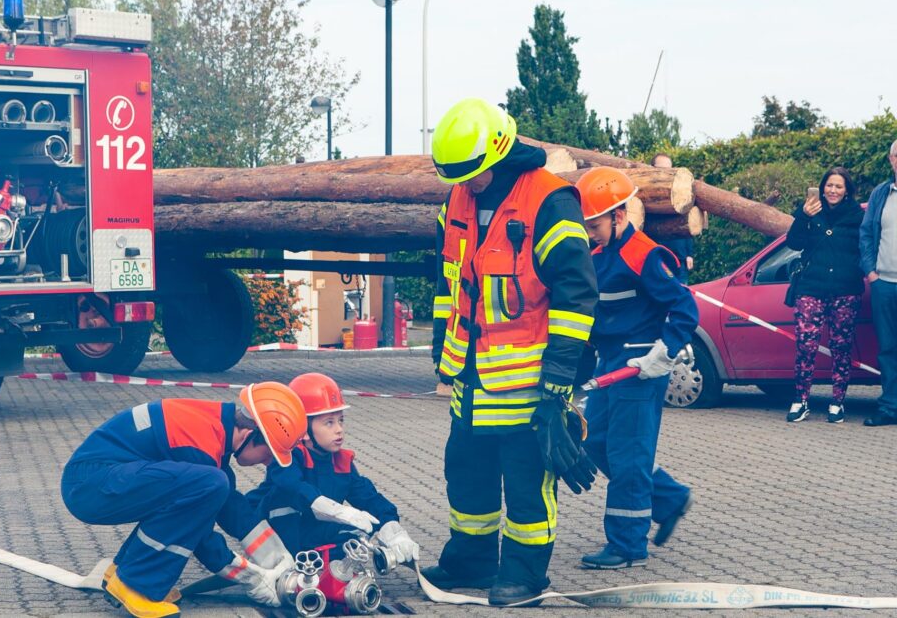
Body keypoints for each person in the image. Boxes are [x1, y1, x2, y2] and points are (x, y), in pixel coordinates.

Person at [423, 98, 599, 606]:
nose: (468, 185)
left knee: (526, 482)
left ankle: (525, 574)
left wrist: (558, 384)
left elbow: (576, 295)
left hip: (529, 383)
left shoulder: (548, 201)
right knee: (467, 472)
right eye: (459, 177)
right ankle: (472, 561)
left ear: (499, 154)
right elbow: (447, 282)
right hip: (470, 380)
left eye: (475, 175)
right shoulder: (454, 200)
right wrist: (442, 349)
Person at [60, 383, 307, 618]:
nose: (267, 462)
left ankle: (122, 571)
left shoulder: (214, 428)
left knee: (215, 485)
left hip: (99, 479)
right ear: (250, 433)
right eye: (270, 453)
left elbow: (230, 506)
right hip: (89, 485)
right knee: (210, 485)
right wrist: (251, 577)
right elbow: (200, 535)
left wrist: (277, 556)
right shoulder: (199, 441)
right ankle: (135, 585)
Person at [574, 166, 697, 570]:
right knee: (595, 444)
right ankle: (668, 497)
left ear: (619, 216)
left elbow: (684, 307)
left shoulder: (644, 254)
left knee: (627, 455)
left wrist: (665, 351)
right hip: (611, 363)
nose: (590, 232)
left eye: (595, 224)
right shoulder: (599, 254)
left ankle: (627, 546)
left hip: (640, 367)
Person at [246, 373, 419, 563]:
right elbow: (291, 486)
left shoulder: (341, 461)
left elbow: (367, 497)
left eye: (341, 420)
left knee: (360, 531)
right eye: (329, 422)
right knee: (285, 502)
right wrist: (335, 510)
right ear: (302, 429)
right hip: (270, 533)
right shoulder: (287, 457)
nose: (339, 429)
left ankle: (321, 565)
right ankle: (288, 566)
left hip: (309, 531)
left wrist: (391, 527)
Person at [784, 167, 865, 423]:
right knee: (805, 345)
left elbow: (866, 248)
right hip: (811, 288)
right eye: (829, 185)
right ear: (822, 188)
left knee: (841, 347)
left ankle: (837, 402)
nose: (833, 191)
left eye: (838, 186)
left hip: (845, 290)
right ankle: (801, 400)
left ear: (847, 190)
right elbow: (794, 242)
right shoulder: (811, 212)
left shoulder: (857, 216)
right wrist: (802, 216)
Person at [859, 139, 897, 427]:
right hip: (884, 284)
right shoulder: (881, 194)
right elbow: (866, 234)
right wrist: (871, 272)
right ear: (891, 160)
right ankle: (889, 409)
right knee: (887, 349)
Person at [650, 153, 694, 283]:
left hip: (680, 259)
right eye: (661, 168)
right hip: (658, 258)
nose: (666, 173)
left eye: (669, 169)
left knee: (681, 295)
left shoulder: (680, 191)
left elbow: (687, 224)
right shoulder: (647, 192)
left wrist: (689, 254)